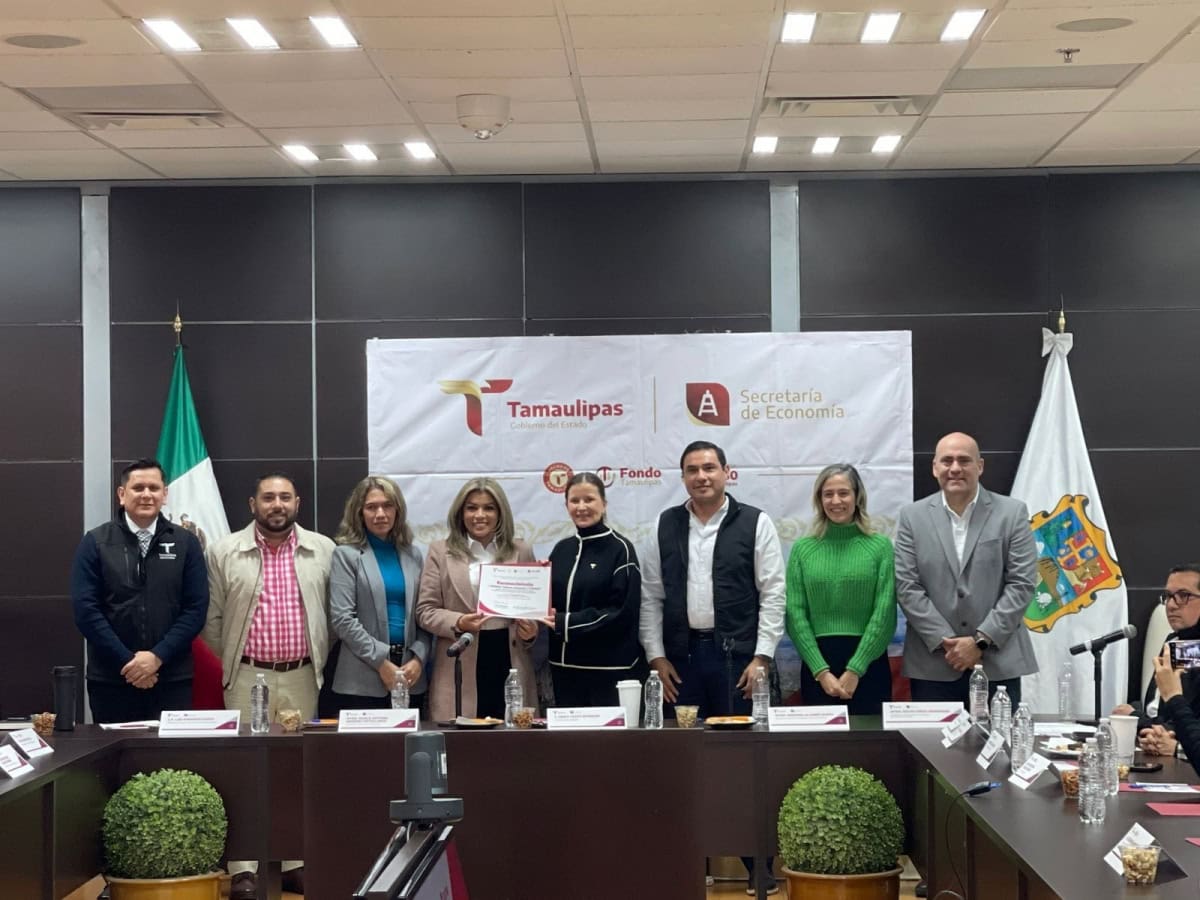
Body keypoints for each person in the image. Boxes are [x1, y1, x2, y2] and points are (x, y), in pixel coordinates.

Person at [639, 440, 785, 896]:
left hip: (738, 662)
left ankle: (758, 864)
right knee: (682, 764)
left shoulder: (755, 522)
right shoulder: (664, 525)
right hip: (680, 663)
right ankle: (686, 864)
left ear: (726, 472)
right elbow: (651, 596)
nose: (701, 476)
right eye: (692, 470)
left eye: (709, 468)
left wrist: (762, 657)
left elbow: (773, 593)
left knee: (744, 765)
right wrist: (656, 657)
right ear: (683, 477)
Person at [203, 472, 334, 899]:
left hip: (301, 675)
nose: (277, 505)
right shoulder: (224, 551)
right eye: (268, 497)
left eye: (285, 497)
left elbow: (333, 616)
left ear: (297, 503)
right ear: (252, 504)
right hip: (245, 675)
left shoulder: (323, 549)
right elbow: (212, 620)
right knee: (244, 770)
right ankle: (244, 869)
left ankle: (293, 863)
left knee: (295, 769)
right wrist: (234, 663)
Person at [895, 432, 1039, 705]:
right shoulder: (911, 517)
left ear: (980, 466)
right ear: (935, 467)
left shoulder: (1012, 513)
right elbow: (907, 587)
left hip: (998, 663)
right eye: (947, 461)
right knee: (931, 737)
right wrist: (949, 643)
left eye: (964, 460)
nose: (955, 468)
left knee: (999, 735)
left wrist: (980, 642)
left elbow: (1021, 584)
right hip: (934, 665)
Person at [70, 459, 208, 723]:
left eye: (154, 488)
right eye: (138, 488)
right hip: (112, 679)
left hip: (171, 678)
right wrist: (129, 662)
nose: (146, 494)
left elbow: (196, 609)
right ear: (122, 494)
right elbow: (86, 611)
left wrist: (157, 657)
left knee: (170, 751)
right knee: (115, 751)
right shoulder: (96, 542)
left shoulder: (186, 543)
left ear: (164, 495)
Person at [416, 478, 543, 722]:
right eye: (472, 508)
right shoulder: (440, 551)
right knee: (462, 741)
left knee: (515, 739)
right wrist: (459, 621)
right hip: (461, 658)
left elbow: (532, 609)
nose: (480, 515)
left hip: (510, 660)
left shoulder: (521, 550)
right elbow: (425, 611)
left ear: (500, 513)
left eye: (489, 508)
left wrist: (530, 631)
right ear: (460, 513)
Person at [786, 464, 896, 716]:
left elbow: (885, 611)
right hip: (818, 668)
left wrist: (856, 669)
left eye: (844, 493)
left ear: (857, 497)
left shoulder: (880, 547)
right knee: (820, 742)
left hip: (869, 666)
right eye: (828, 494)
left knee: (870, 741)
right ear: (819, 499)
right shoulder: (803, 549)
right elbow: (795, 613)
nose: (836, 501)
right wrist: (821, 672)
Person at [328, 476, 431, 711]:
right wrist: (381, 663)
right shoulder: (346, 555)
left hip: (410, 675)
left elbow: (424, 614)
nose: (380, 514)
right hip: (361, 679)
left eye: (387, 505)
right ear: (359, 513)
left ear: (398, 510)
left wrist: (419, 659)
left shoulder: (413, 554)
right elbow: (343, 619)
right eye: (371, 507)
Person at [547, 472, 641, 707]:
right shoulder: (561, 550)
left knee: (610, 734)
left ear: (604, 503)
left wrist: (566, 622)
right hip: (564, 670)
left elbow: (622, 612)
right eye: (574, 501)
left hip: (609, 670)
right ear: (566, 505)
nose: (581, 507)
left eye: (589, 499)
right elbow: (547, 602)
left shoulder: (621, 549)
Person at [1116, 564, 1200, 757]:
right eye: (1169, 596)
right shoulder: (1176, 642)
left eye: (1184, 595)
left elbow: (1179, 717)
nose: (1171, 605)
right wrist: (1148, 727)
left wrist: (1137, 719)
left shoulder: (1192, 649)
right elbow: (1163, 713)